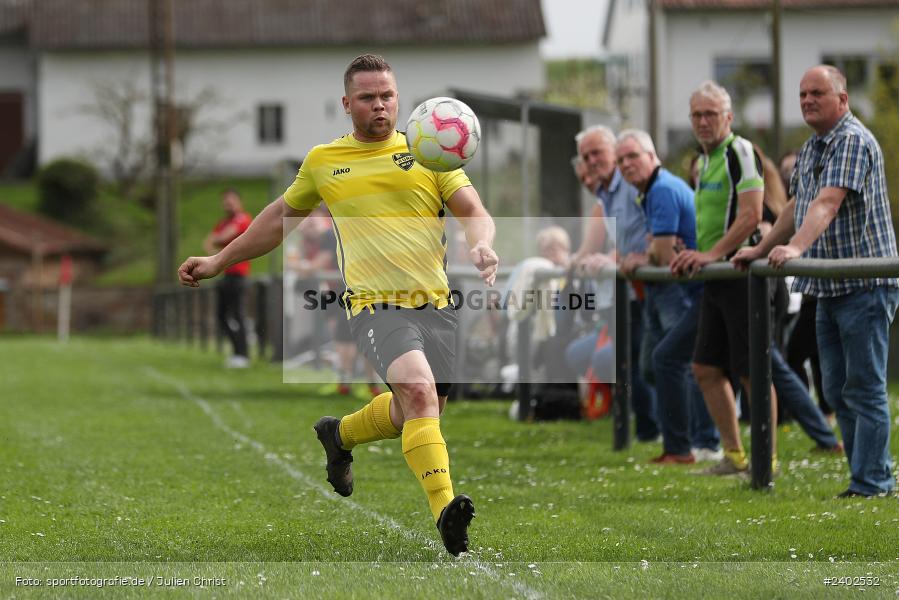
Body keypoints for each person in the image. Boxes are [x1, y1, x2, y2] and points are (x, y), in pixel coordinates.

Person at [179, 54, 499, 552]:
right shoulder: (325, 161)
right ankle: (446, 515)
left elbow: (473, 210)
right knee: (418, 395)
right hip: (373, 304)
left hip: (435, 304)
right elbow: (276, 219)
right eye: (368, 97)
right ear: (347, 103)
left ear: (399, 98)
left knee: (416, 408)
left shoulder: (429, 150)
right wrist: (220, 259)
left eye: (387, 96)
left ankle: (341, 435)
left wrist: (480, 242)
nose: (380, 106)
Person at [733, 65, 899, 497]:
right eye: (803, 93)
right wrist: (761, 246)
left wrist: (797, 249)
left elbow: (826, 204)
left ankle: (872, 481)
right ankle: (868, 474)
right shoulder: (813, 147)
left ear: (842, 100)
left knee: (864, 386)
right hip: (831, 288)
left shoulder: (851, 140)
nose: (807, 100)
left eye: (817, 93)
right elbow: (796, 206)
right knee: (836, 388)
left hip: (865, 285)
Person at [670, 81, 778, 476]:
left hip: (742, 273)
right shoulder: (703, 162)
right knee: (705, 368)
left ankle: (767, 461)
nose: (702, 121)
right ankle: (734, 456)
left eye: (710, 114)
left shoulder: (741, 151)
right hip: (716, 276)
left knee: (753, 370)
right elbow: (715, 222)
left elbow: (751, 214)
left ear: (728, 117)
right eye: (696, 114)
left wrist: (712, 253)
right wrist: (692, 249)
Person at [616, 129, 705, 464]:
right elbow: (657, 245)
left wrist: (646, 254)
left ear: (652, 157)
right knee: (657, 365)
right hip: (667, 290)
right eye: (621, 159)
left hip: (686, 290)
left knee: (678, 363)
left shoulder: (663, 189)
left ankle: (689, 444)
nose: (626, 164)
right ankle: (685, 444)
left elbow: (664, 252)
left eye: (633, 156)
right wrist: (650, 250)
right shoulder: (651, 191)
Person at [569, 125, 661, 442]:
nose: (592, 161)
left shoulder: (633, 183)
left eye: (598, 153)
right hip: (622, 291)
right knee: (633, 363)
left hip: (644, 288)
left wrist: (614, 259)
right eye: (586, 156)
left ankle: (654, 431)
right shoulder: (605, 193)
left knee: (643, 362)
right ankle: (644, 430)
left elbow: (648, 232)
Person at [203, 188, 253, 368]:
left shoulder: (243, 219)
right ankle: (236, 352)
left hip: (238, 275)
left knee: (237, 315)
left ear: (239, 201)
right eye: (225, 201)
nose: (228, 204)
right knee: (221, 316)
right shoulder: (223, 222)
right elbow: (208, 244)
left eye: (231, 200)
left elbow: (222, 237)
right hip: (225, 274)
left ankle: (243, 355)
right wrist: (217, 243)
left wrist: (218, 242)